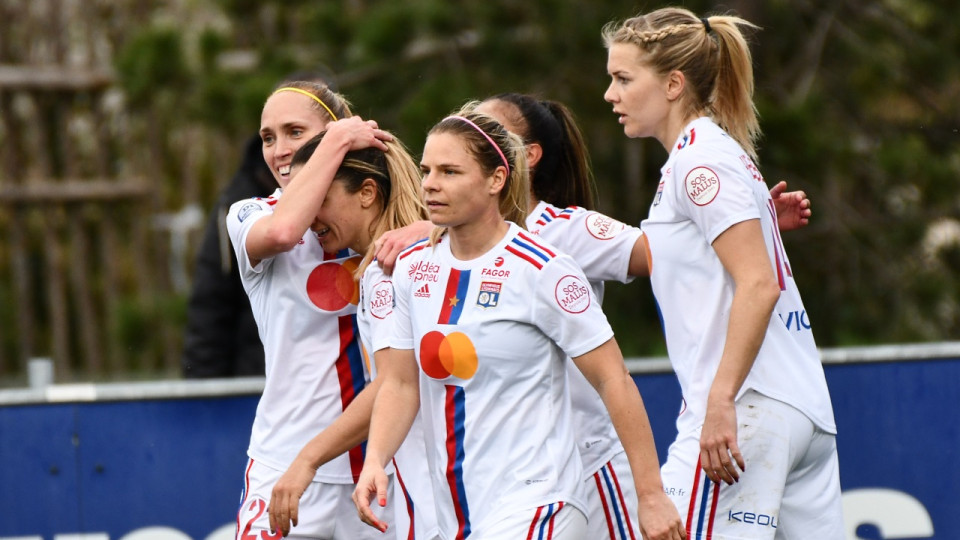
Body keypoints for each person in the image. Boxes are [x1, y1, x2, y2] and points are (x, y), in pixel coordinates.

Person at [353, 108, 685, 540]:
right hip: (461, 512)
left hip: (541, 502)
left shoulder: (543, 269)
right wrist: (375, 458)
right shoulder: (413, 270)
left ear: (496, 180)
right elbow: (399, 384)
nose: (430, 183)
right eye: (426, 170)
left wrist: (651, 494)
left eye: (450, 171)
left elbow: (613, 379)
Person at [602, 7, 843, 539]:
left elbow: (759, 283)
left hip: (748, 407)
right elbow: (736, 266)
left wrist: (720, 401)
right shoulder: (713, 153)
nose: (610, 95)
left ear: (672, 84)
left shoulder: (698, 162)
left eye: (623, 78)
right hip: (800, 409)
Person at [228, 80, 399, 540]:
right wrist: (340, 138)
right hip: (286, 463)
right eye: (268, 137)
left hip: (381, 468)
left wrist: (421, 230)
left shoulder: (390, 224)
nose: (280, 150)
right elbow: (284, 231)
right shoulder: (251, 214)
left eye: (295, 132)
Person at [267, 132, 438, 540]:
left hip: (436, 493)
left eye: (321, 200)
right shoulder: (416, 253)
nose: (309, 217)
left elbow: (393, 383)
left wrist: (307, 459)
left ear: (366, 193)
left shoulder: (387, 271)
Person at [182, 134, 275, 378]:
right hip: (255, 381)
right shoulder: (237, 206)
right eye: (271, 137)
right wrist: (205, 395)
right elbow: (211, 304)